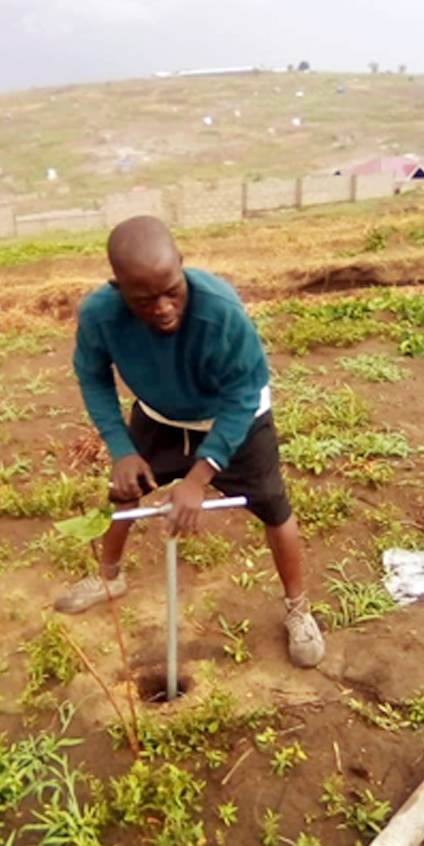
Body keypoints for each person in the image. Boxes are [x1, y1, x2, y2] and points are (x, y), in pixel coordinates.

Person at [54, 215, 325, 668]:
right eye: (144, 300)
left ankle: (298, 610)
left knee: (274, 507)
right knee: (125, 493)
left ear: (181, 265)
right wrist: (121, 449)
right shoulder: (100, 314)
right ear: (118, 288)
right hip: (160, 414)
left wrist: (200, 477)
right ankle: (108, 578)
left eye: (171, 290)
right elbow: (92, 375)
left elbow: (243, 393)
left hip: (233, 417)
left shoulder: (220, 310)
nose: (162, 308)